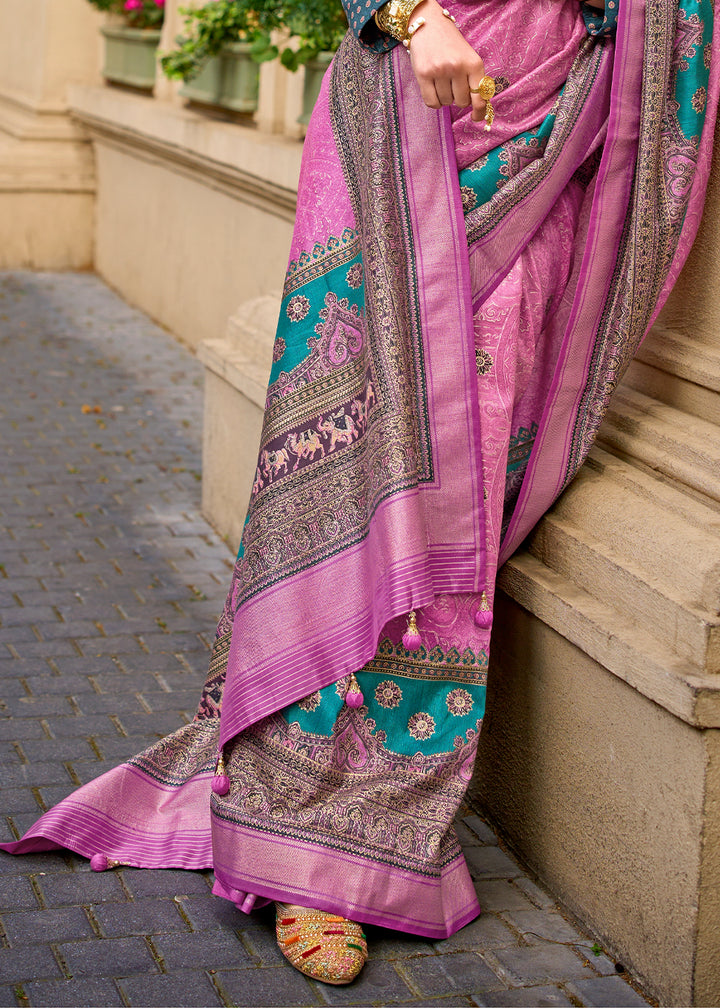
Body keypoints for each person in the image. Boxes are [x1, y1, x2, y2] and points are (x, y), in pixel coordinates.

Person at [2, 0, 717, 987]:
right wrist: (412, 16)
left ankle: (376, 820)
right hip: (414, 113)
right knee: (362, 475)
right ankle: (303, 831)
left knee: (456, 506)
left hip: (555, 122)